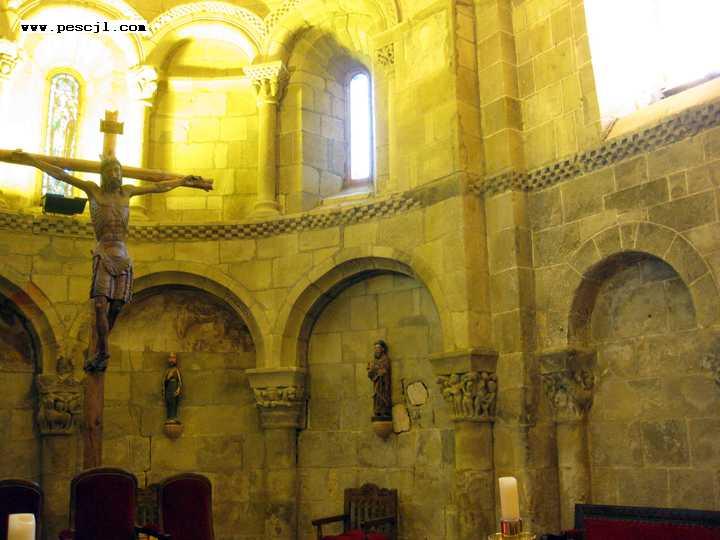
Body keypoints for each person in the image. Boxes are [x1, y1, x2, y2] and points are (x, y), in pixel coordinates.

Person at [9, 150, 212, 371]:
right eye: (111, 170)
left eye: (118, 170)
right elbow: (61, 175)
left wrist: (181, 181)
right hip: (104, 253)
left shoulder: (128, 191)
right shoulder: (93, 190)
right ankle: (103, 351)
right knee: (99, 304)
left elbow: (158, 187)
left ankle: (100, 346)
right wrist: (33, 161)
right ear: (104, 174)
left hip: (122, 255)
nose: (115, 174)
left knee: (116, 306)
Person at [367, 340, 392, 419]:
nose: (376, 350)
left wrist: (377, 369)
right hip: (377, 383)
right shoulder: (374, 361)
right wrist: (371, 370)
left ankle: (384, 411)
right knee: (376, 397)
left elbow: (384, 370)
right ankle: (377, 410)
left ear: (383, 349)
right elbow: (371, 372)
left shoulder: (385, 359)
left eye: (378, 348)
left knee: (383, 396)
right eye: (375, 349)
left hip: (383, 384)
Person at [163, 352, 183, 422]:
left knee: (173, 404)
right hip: (168, 390)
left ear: (175, 360)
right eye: (170, 358)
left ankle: (173, 417)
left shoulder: (176, 370)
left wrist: (178, 390)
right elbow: (164, 382)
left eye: (173, 358)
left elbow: (180, 382)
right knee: (168, 403)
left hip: (174, 389)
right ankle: (169, 417)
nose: (171, 360)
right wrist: (167, 378)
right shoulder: (167, 371)